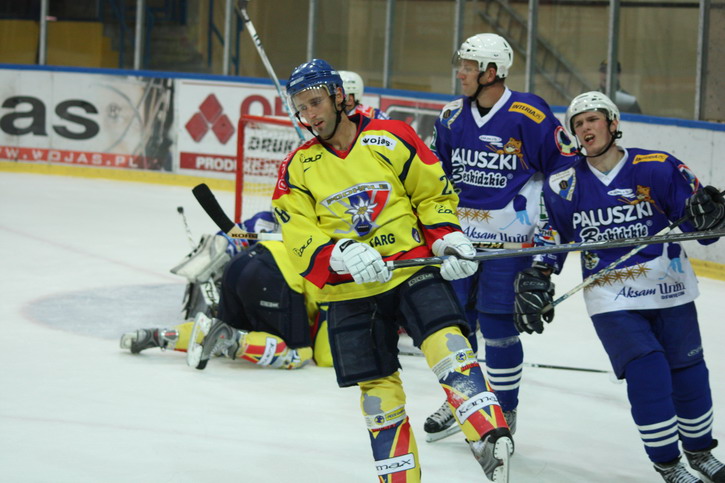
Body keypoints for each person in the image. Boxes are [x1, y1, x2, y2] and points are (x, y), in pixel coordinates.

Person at [272, 58, 513, 482]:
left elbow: (431, 194)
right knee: (377, 395)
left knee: (448, 343)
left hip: (409, 268)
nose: (310, 115)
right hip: (349, 290)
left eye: (315, 102)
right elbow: (297, 234)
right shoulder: (296, 168)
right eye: (301, 108)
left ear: (339, 96)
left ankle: (487, 436)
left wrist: (446, 236)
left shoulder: (393, 136)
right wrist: (339, 253)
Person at [513, 90, 725, 483]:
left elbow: (704, 229)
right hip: (611, 296)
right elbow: (551, 237)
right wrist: (537, 276)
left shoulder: (658, 167)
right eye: (578, 124)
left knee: (689, 371)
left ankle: (700, 452)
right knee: (648, 372)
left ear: (613, 123)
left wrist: (711, 215)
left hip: (671, 287)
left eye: (592, 119)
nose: (585, 128)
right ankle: (668, 463)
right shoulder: (563, 184)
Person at [425, 32, 578, 442]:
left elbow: (564, 174)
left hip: (509, 248)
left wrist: (547, 248)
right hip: (459, 244)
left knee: (498, 330)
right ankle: (463, 399)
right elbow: (435, 179)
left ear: (491, 72)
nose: (460, 73)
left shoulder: (530, 114)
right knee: (454, 329)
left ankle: (504, 409)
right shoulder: (451, 117)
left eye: (468, 67)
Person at [120, 212, 333, 370]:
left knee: (222, 328)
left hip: (241, 262)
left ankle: (160, 336)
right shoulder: (342, 281)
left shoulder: (295, 226)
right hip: (273, 274)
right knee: (299, 353)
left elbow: (231, 238)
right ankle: (232, 339)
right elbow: (325, 355)